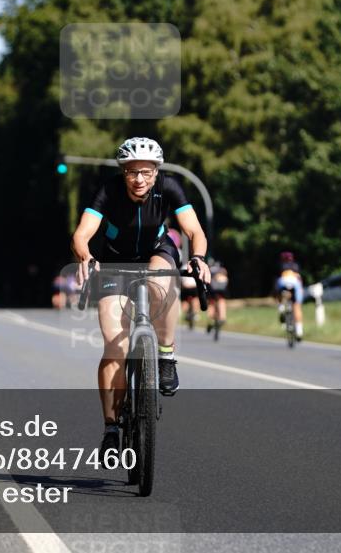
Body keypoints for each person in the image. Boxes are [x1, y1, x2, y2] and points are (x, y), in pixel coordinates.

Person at [70, 137, 211, 453]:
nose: (139, 179)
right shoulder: (108, 190)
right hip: (113, 261)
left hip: (155, 252)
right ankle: (110, 428)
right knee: (114, 345)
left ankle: (166, 354)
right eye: (132, 172)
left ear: (156, 171)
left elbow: (194, 230)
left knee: (162, 285)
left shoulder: (170, 187)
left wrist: (199, 258)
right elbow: (82, 234)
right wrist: (86, 258)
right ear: (123, 172)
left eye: (146, 172)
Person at [275, 251, 304, 341]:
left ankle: (281, 307)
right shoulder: (296, 265)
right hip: (295, 283)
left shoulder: (280, 265)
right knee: (297, 306)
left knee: (279, 293)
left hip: (283, 282)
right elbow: (299, 279)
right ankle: (299, 331)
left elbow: (277, 279)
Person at [207, 260, 229, 334]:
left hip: (212, 289)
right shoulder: (222, 270)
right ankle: (222, 317)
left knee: (211, 302)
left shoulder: (209, 269)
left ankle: (211, 320)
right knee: (221, 300)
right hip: (221, 290)